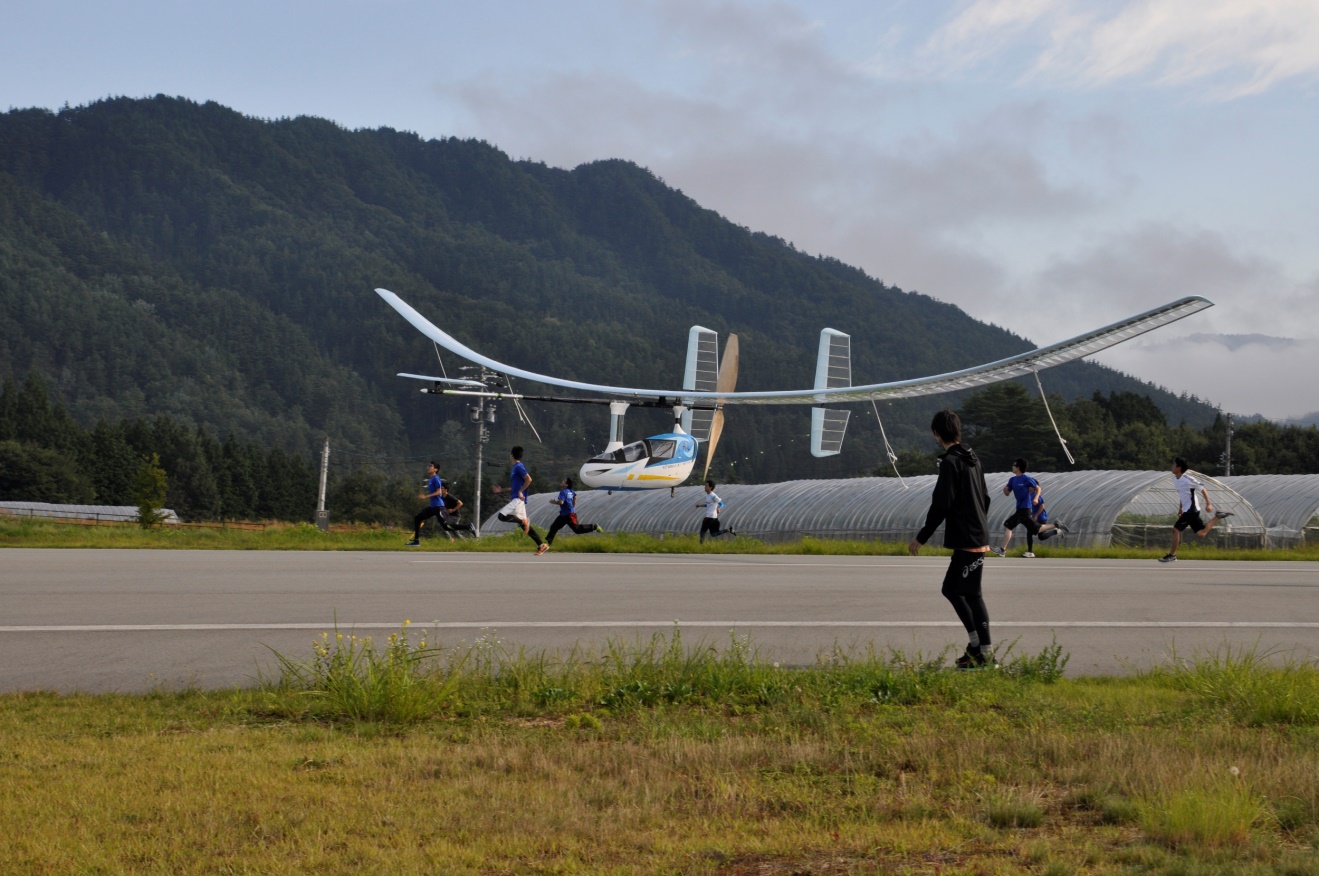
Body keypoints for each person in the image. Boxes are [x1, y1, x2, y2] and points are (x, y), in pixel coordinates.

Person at [907, 409, 995, 670]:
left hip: (969, 538)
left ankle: (983, 653)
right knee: (962, 591)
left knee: (962, 592)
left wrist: (921, 538)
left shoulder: (950, 463)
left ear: (936, 434)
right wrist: (978, 523)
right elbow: (986, 498)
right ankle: (978, 650)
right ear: (957, 431)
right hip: (976, 534)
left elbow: (941, 505)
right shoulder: (973, 459)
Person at [991, 458, 1069, 558]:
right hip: (1020, 508)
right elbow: (1007, 493)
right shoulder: (1012, 480)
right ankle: (1056, 525)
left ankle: (1002, 550)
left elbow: (1038, 488)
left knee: (1008, 525)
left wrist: (1036, 497)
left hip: (1025, 508)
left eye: (1014, 465)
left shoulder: (1026, 478)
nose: (1012, 467)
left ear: (1018, 467)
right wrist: (1005, 489)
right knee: (1035, 529)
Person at [1160, 456, 1233, 562]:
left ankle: (1172, 555)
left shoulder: (1188, 479)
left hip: (1192, 510)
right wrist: (1181, 508)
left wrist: (1208, 504)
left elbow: (1203, 489)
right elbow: (1183, 495)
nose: (1172, 466)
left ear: (1179, 468)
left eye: (1174, 465)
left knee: (1176, 529)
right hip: (1188, 510)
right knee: (1201, 533)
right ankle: (1218, 516)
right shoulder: (1176, 480)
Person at [492, 445, 549, 555]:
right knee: (525, 527)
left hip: (517, 499)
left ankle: (523, 520)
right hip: (518, 499)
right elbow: (515, 487)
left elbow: (528, 479)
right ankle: (541, 545)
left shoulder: (518, 466)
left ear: (512, 455)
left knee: (501, 516)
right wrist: (502, 490)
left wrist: (521, 491)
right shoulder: (515, 468)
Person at [545, 477, 602, 545]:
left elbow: (561, 502)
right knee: (554, 527)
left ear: (566, 485)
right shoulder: (571, 491)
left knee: (577, 529)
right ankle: (547, 544)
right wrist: (572, 507)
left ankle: (594, 527)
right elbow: (575, 497)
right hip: (565, 514)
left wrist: (553, 502)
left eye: (564, 481)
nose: (562, 481)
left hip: (568, 515)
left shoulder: (563, 492)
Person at [405, 462, 444, 546]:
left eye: (431, 466)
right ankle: (416, 541)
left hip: (438, 506)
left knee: (445, 526)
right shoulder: (431, 479)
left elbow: (439, 491)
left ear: (436, 469)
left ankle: (468, 527)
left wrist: (426, 496)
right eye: (428, 466)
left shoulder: (436, 478)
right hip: (433, 507)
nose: (428, 467)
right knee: (417, 518)